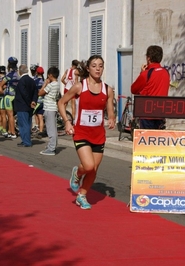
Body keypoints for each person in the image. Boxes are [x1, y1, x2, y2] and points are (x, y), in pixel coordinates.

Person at [58, 55, 116, 210]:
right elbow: (61, 102)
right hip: (81, 132)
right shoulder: (79, 87)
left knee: (94, 169)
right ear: (88, 68)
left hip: (98, 135)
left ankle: (82, 195)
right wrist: (67, 121)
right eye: (94, 65)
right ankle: (77, 173)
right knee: (88, 166)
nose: (98, 68)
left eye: (101, 66)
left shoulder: (107, 89)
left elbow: (110, 111)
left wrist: (111, 119)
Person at [131, 45, 169, 129]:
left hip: (147, 113)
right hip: (161, 112)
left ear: (148, 58)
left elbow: (133, 89)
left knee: (147, 140)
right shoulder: (166, 72)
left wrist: (141, 73)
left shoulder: (146, 74)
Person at [14, 64, 38, 147]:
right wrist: (34, 101)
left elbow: (24, 94)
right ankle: (25, 139)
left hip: (23, 105)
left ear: (20, 71)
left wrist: (29, 102)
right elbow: (35, 92)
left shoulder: (21, 81)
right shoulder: (32, 80)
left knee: (23, 124)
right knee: (27, 123)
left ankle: (26, 141)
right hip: (29, 106)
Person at [38, 66, 60, 155]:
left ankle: (51, 148)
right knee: (53, 128)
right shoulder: (57, 84)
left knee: (50, 129)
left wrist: (45, 83)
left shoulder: (51, 85)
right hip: (53, 107)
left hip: (49, 108)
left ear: (50, 75)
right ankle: (52, 145)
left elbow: (40, 93)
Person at [0, 57, 19, 139]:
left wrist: (4, 85)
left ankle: (12, 132)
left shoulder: (9, 74)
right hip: (15, 95)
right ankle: (11, 131)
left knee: (10, 115)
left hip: (8, 96)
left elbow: (0, 84)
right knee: (12, 115)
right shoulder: (17, 74)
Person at [33, 66, 45, 137]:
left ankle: (37, 128)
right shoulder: (44, 81)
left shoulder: (35, 81)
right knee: (40, 117)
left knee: (34, 115)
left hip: (37, 101)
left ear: (37, 72)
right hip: (43, 101)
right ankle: (40, 131)